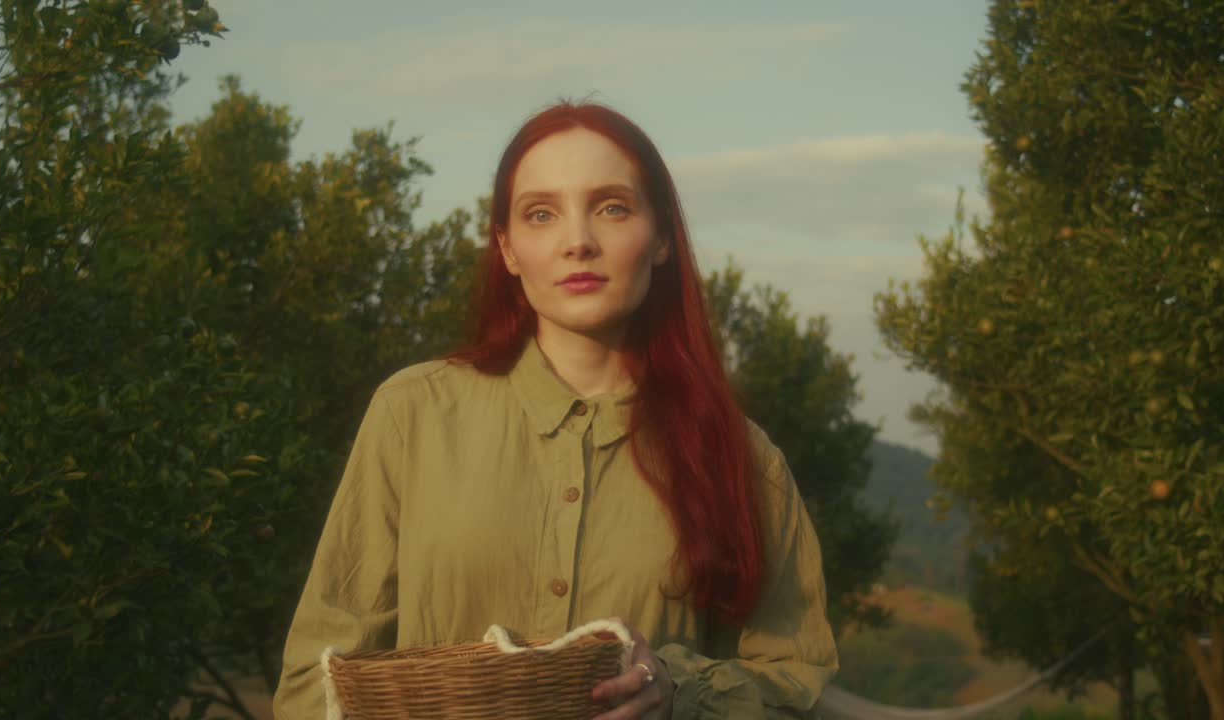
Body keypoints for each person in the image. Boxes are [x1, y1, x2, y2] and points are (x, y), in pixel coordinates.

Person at [272, 101, 838, 719]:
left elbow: (793, 678)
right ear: (508, 249)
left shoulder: (744, 458)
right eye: (541, 214)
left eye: (612, 207)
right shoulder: (413, 414)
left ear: (662, 240)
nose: (578, 242)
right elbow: (318, 669)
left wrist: (679, 690)